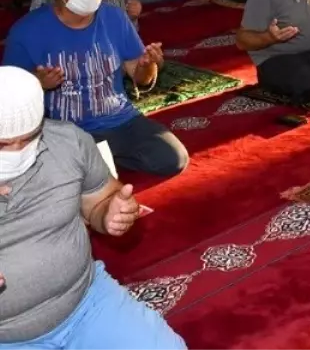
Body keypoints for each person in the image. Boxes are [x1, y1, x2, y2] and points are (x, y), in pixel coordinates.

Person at [0, 67, 186, 348]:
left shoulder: (66, 141)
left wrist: (108, 212)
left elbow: (100, 198)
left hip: (85, 302)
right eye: (3, 144)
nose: (17, 152)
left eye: (28, 139)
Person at [3, 0, 187, 176]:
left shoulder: (114, 18)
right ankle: (94, 162)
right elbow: (8, 95)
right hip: (67, 129)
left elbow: (141, 78)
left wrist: (147, 65)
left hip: (121, 119)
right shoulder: (27, 30)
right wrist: (37, 83)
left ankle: (100, 160)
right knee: (75, 174)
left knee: (172, 159)